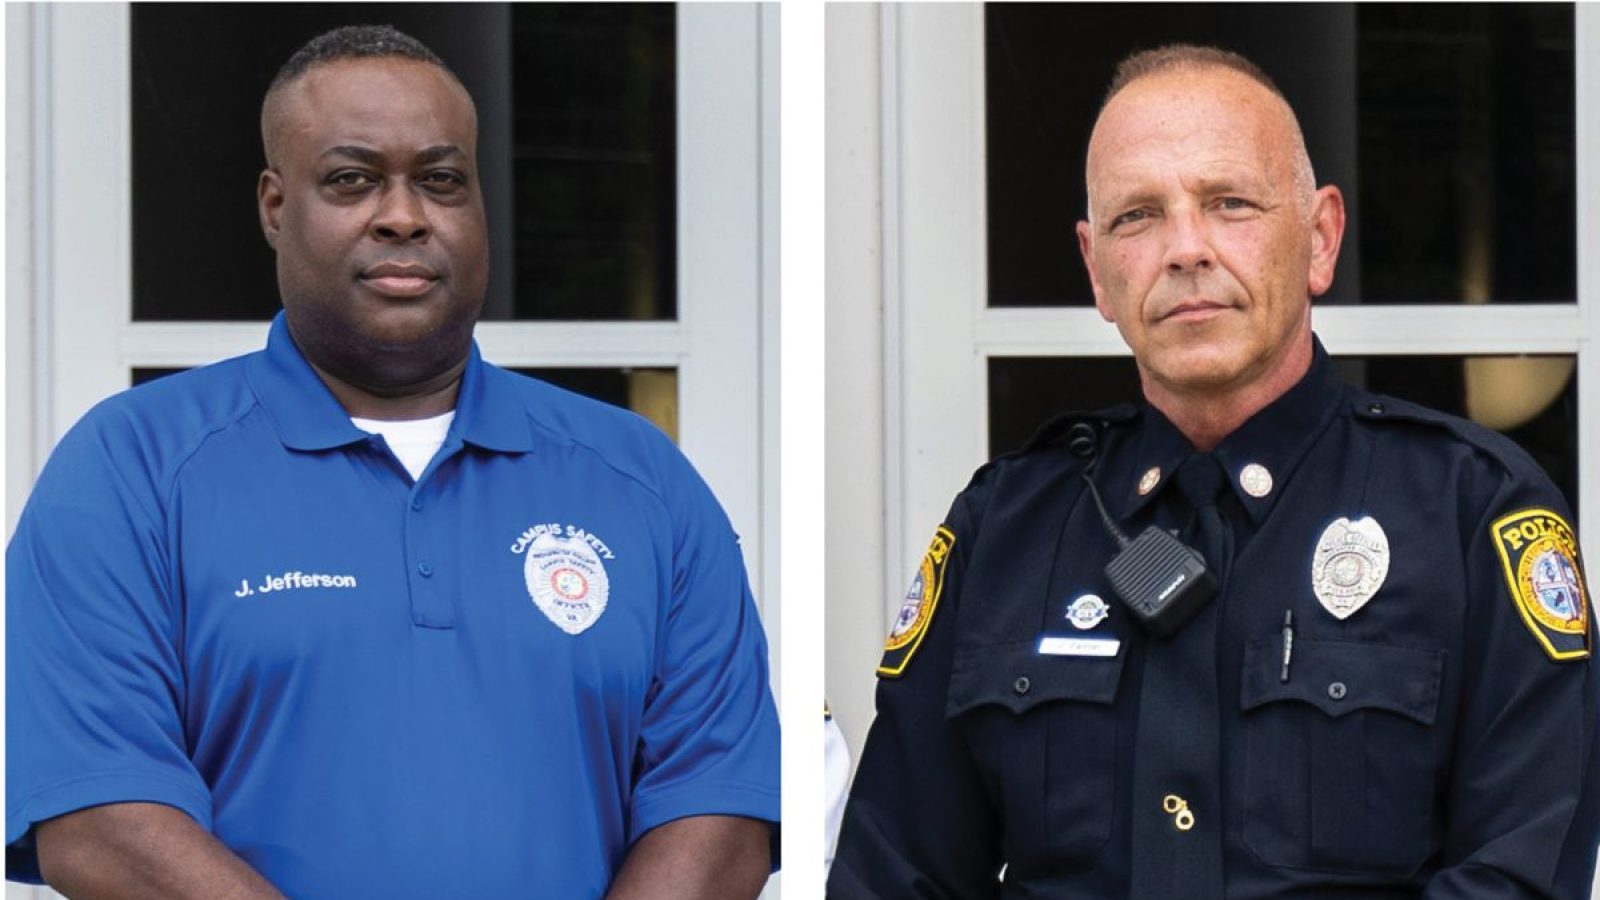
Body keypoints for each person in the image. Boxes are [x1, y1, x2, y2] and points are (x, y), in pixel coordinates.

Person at [7, 25, 779, 899]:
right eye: (352, 179)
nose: (404, 214)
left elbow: (719, 812)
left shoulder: (641, 479)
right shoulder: (129, 469)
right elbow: (99, 821)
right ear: (273, 204)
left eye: (442, 180)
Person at [829, 44, 1599, 898]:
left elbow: (1520, 877)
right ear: (1096, 271)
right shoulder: (1003, 531)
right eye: (1137, 217)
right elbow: (892, 877)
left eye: (1229, 203)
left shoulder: (1473, 515)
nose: (1185, 248)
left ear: (1320, 238)